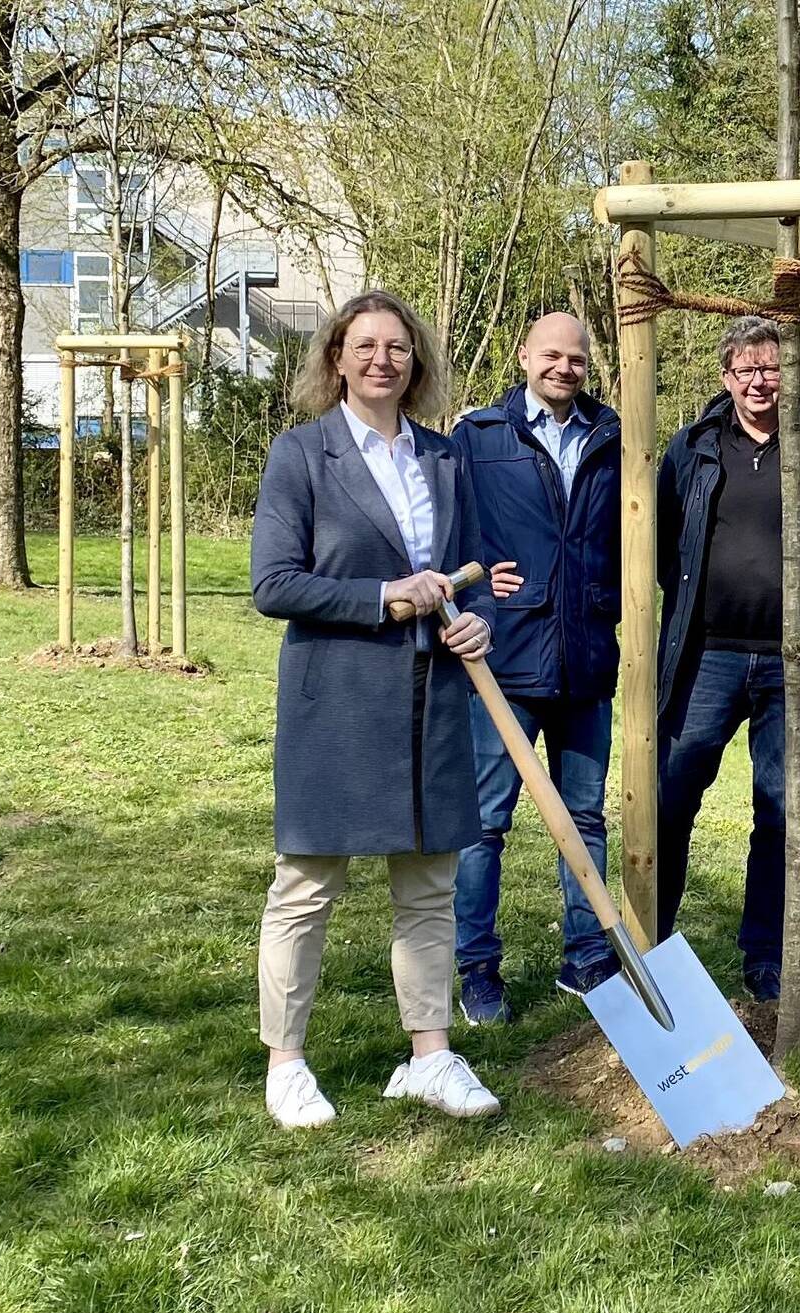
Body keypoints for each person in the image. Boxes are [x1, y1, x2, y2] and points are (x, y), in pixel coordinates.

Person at [249, 289, 503, 1128]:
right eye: (365, 346)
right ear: (335, 358)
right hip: (338, 705)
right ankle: (286, 1063)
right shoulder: (301, 455)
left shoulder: (445, 459)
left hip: (431, 700)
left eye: (398, 348)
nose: (382, 360)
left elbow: (473, 569)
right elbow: (274, 584)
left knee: (429, 887)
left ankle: (428, 1055)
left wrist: (475, 625)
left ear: (416, 365)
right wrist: (383, 597)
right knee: (308, 885)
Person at [655, 315, 800, 1000]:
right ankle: (653, 942)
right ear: (725, 378)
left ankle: (766, 955)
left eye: (772, 368)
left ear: (793, 377)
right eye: (746, 369)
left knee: (780, 810)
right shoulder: (692, 450)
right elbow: (666, 546)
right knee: (669, 797)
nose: (759, 380)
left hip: (791, 662)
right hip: (706, 658)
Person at [448, 313, 623, 1023]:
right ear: (524, 356)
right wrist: (483, 585)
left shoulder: (611, 435)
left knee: (583, 817)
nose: (564, 367)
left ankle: (588, 960)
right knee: (485, 822)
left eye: (576, 357)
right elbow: (449, 532)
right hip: (505, 659)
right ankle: (478, 971)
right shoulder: (479, 437)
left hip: (585, 661)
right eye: (551, 354)